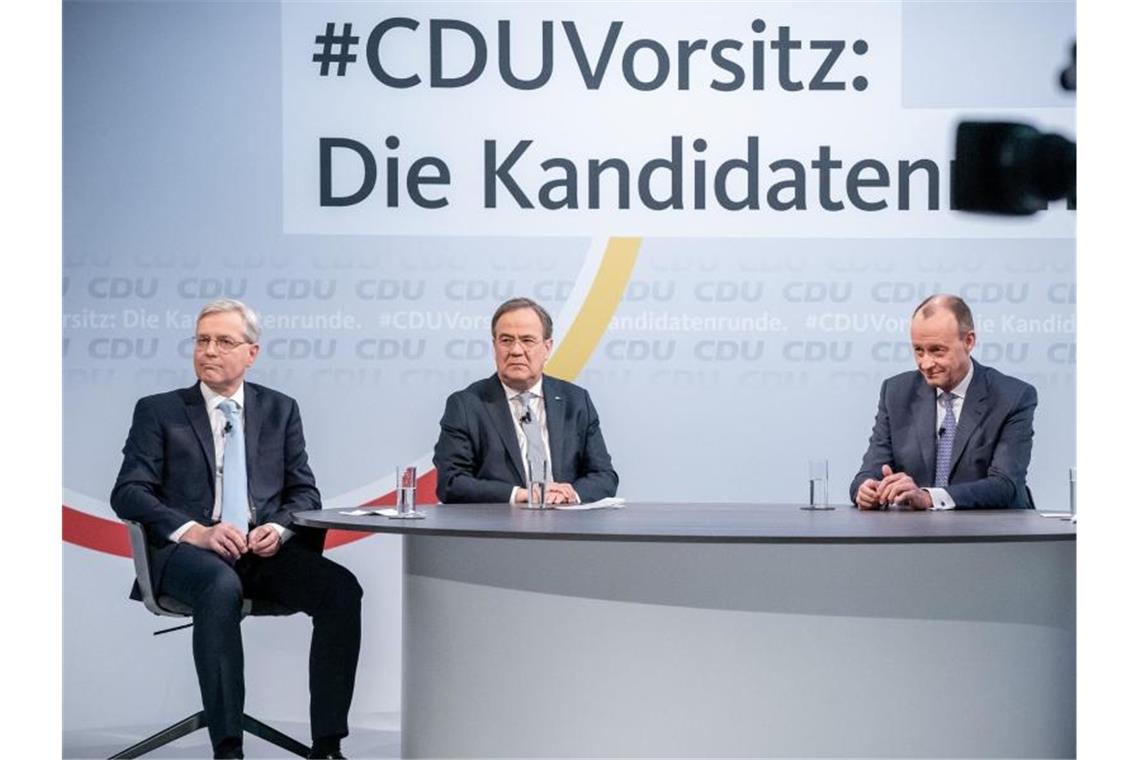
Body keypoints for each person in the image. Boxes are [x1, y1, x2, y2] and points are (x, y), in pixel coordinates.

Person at [111, 299, 361, 759]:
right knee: (220, 584)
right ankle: (228, 749)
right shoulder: (160, 411)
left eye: (223, 341)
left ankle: (327, 746)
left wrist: (280, 529)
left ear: (252, 352)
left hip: (260, 552)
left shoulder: (281, 410)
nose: (209, 351)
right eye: (202, 340)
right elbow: (128, 492)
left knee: (341, 590)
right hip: (189, 558)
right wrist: (195, 532)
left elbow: (305, 494)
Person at [849, 294, 1037, 510]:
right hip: (916, 534)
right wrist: (866, 489)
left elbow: (1005, 485)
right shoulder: (896, 392)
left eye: (937, 350)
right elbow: (869, 471)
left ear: (969, 341)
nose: (925, 363)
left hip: (993, 533)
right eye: (918, 350)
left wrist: (929, 497)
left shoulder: (1012, 397)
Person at [433, 297, 618, 505]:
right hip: (499, 531)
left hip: (566, 528)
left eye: (527, 340)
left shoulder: (576, 401)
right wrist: (523, 494)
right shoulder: (467, 405)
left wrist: (568, 493)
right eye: (506, 340)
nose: (516, 351)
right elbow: (451, 482)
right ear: (494, 347)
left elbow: (604, 477)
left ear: (547, 348)